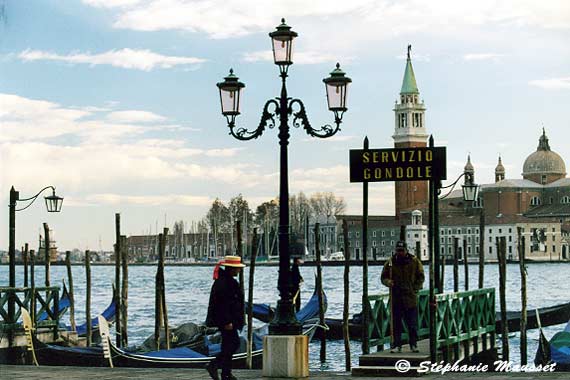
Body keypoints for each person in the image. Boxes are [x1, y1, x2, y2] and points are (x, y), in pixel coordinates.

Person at [205, 255, 245, 380]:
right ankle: (215, 365)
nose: (239, 271)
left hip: (228, 320)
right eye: (237, 268)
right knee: (233, 344)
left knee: (228, 345)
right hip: (226, 321)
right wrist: (227, 321)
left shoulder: (225, 281)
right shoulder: (226, 283)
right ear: (231, 269)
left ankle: (226, 373)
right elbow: (223, 304)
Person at [381, 240, 424, 353]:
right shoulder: (390, 262)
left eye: (402, 250)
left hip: (410, 297)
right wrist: (388, 282)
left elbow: (421, 276)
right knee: (396, 324)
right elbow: (383, 277)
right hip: (396, 297)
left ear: (406, 250)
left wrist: (415, 288)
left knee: (412, 324)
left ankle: (413, 344)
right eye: (398, 250)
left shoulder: (414, 261)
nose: (400, 253)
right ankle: (396, 345)